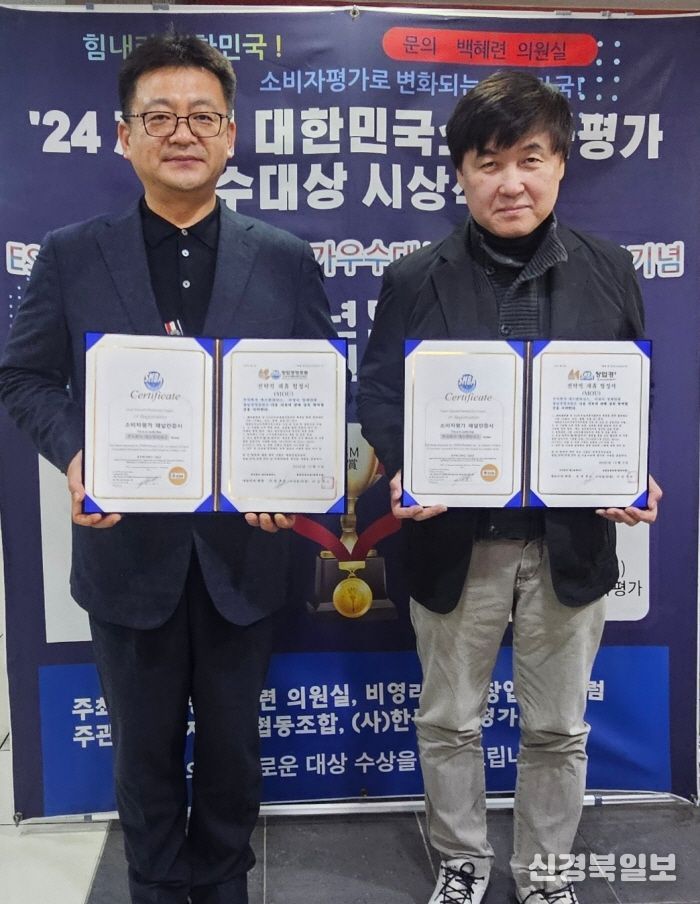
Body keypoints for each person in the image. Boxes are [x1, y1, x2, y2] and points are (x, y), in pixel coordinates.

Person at [0, 32, 334, 904]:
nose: (182, 133)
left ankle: (223, 883)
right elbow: (24, 375)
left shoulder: (285, 258)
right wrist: (76, 454)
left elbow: (317, 386)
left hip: (244, 558)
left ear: (231, 134)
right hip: (127, 557)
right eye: (159, 117)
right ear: (124, 136)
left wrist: (294, 478)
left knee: (233, 749)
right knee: (142, 752)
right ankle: (153, 885)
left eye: (202, 117)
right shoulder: (72, 253)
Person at [357, 70, 661, 904]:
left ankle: (546, 874)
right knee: (448, 722)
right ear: (461, 173)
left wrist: (631, 469)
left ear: (560, 164)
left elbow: (631, 391)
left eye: (530, 158)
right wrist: (406, 464)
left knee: (557, 729)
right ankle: (462, 865)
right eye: (488, 163)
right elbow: (379, 392)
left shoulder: (609, 270)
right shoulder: (413, 278)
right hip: (457, 542)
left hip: (567, 543)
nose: (511, 182)